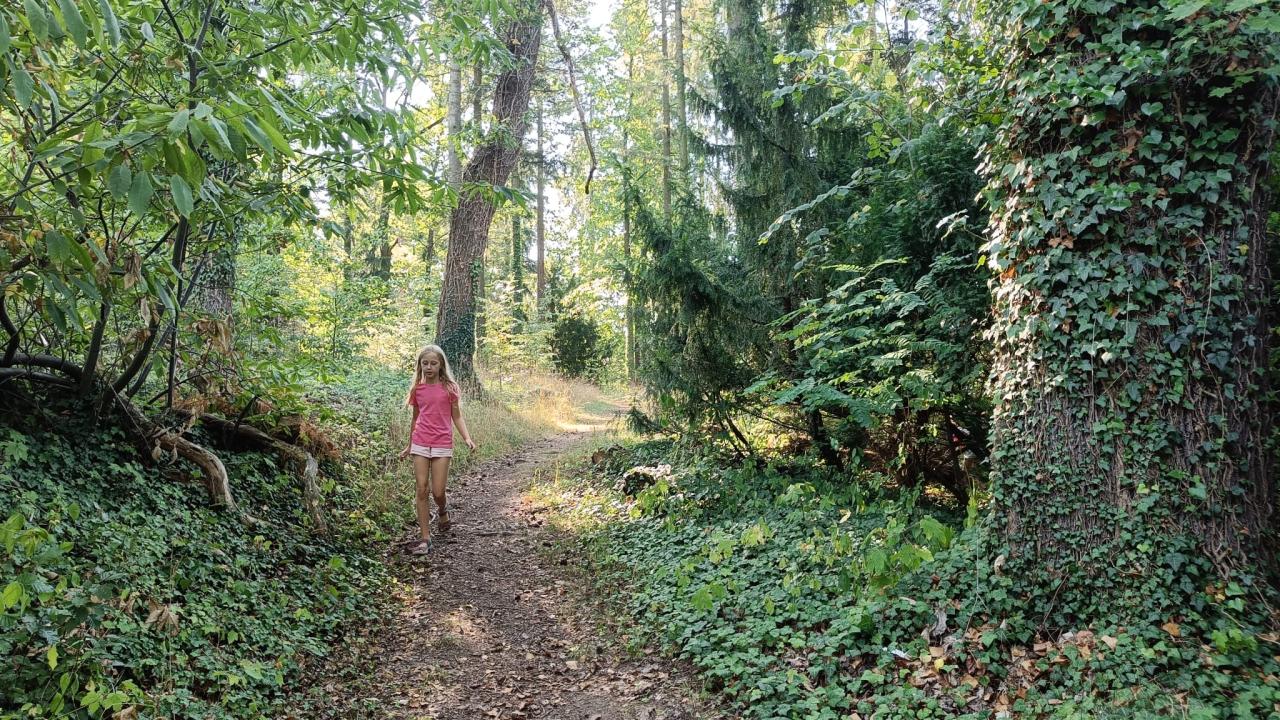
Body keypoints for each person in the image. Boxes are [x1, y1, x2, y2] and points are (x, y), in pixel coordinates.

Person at [399, 344, 476, 555]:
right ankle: (425, 538)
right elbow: (415, 419)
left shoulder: (450, 388)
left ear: (441, 365)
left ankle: (443, 509)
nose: (429, 367)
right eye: (425, 363)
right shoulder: (417, 389)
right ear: (420, 365)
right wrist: (409, 445)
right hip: (420, 442)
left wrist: (467, 438)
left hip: (442, 442)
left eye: (433, 363)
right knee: (422, 489)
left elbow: (456, 416)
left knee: (438, 492)